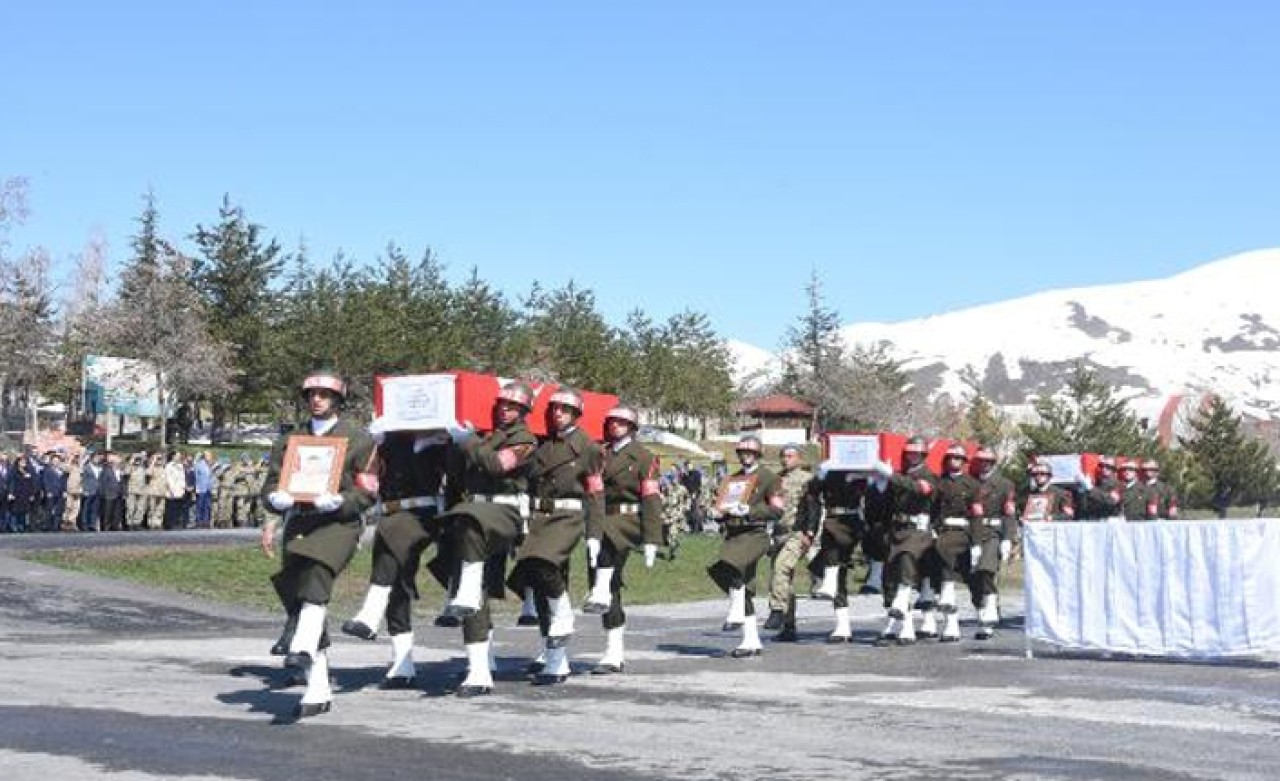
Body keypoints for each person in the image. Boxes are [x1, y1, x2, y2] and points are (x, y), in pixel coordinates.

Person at [260, 369, 377, 719]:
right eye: (312, 395)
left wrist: (342, 501)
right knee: (302, 598)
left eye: (325, 395)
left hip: (338, 523)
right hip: (300, 523)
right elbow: (268, 487)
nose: (317, 400)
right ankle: (318, 687)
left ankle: (300, 645)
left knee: (317, 574)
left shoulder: (359, 439)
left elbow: (368, 490)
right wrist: (275, 500)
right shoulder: (289, 441)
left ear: (338, 401)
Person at [434, 381, 539, 696]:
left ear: (523, 411)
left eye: (512, 406)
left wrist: (468, 442)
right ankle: (479, 670)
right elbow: (457, 474)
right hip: (474, 516)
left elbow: (496, 465)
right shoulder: (483, 436)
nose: (504, 409)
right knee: (474, 596)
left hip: (503, 512)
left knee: (468, 532)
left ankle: (465, 588)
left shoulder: (525, 440)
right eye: (502, 404)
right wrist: (452, 444)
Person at [340, 422, 452, 691]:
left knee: (392, 553)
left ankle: (369, 614)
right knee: (398, 585)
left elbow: (450, 474)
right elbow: (367, 480)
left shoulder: (435, 441)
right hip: (390, 514)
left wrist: (436, 443)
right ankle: (403, 664)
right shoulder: (383, 443)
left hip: (423, 513)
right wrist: (373, 446)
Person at [505, 387, 605, 685]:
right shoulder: (542, 443)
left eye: (564, 410)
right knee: (536, 578)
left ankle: (565, 613)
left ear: (576, 414)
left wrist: (594, 533)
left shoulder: (587, 447)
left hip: (567, 516)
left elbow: (595, 493)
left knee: (545, 563)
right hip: (539, 516)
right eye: (554, 409)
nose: (557, 414)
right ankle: (556, 662)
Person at [582, 405, 662, 674]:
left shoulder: (644, 457)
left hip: (627, 521)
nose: (615, 426)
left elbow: (651, 498)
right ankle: (613, 651)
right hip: (599, 518)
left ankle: (601, 589)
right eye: (612, 422)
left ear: (632, 427)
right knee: (609, 587)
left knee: (605, 569)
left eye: (621, 422)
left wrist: (652, 538)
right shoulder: (599, 453)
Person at [706, 435, 786, 658]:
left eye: (750, 453)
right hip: (733, 533)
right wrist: (717, 514)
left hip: (756, 533)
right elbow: (723, 506)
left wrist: (750, 511)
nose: (745, 457)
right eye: (742, 453)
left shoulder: (769, 478)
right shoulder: (732, 480)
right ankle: (751, 640)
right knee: (744, 586)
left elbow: (778, 510)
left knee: (730, 568)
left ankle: (735, 613)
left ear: (758, 455)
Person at [875, 436, 939, 645]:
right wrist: (879, 485)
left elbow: (920, 489)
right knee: (891, 578)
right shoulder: (900, 475)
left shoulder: (929, 475)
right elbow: (885, 504)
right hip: (897, 529)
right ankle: (906, 628)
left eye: (917, 453)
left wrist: (891, 475)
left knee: (907, 559)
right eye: (909, 452)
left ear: (923, 455)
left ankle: (904, 607)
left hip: (917, 531)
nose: (912, 456)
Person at [763, 444, 818, 642]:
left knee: (781, 568)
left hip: (797, 532)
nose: (785, 459)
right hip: (778, 532)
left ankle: (777, 610)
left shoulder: (807, 479)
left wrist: (809, 533)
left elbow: (814, 507)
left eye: (790, 456)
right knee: (783, 579)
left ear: (799, 458)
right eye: (783, 456)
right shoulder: (776, 479)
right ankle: (789, 625)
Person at [809, 463, 868, 643]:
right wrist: (821, 474)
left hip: (851, 522)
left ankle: (829, 583)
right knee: (834, 573)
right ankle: (842, 626)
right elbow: (813, 491)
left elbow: (870, 492)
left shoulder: (861, 471)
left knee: (834, 569)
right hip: (832, 520)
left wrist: (860, 473)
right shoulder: (830, 472)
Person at [968, 447, 1016, 640]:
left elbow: (1009, 513)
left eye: (988, 461)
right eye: (981, 461)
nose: (984, 464)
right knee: (973, 578)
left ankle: (990, 608)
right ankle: (983, 610)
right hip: (971, 532)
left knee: (986, 569)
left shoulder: (1004, 485)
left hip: (992, 532)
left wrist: (1007, 538)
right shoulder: (969, 483)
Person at [1077, 456, 1123, 521]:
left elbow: (1111, 500)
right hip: (1093, 518)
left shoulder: (1118, 484)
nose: (1104, 469)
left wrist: (1091, 489)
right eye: (1102, 466)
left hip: (1108, 518)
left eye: (1108, 467)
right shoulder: (1097, 482)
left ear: (1113, 469)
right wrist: (1082, 492)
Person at [7, 454, 41, 533]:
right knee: (15, 511)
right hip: (16, 494)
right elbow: (11, 483)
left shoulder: (29, 471)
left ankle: (21, 526)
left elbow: (32, 484)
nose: (23, 463)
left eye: (25, 462)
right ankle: (14, 526)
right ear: (18, 462)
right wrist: (10, 493)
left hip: (26, 494)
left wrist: (32, 494)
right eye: (21, 461)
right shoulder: (13, 471)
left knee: (23, 511)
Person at [40, 453, 68, 533]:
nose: (56, 462)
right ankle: (48, 526)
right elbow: (45, 482)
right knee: (49, 510)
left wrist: (65, 491)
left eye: (57, 461)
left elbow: (64, 482)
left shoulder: (62, 471)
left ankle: (56, 526)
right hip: (51, 493)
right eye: (54, 461)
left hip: (60, 493)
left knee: (59, 510)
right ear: (51, 461)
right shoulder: (47, 470)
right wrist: (48, 491)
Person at [100, 452, 124, 532]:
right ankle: (106, 527)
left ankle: (115, 526)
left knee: (117, 511)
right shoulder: (106, 469)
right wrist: (103, 493)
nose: (118, 459)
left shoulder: (120, 469)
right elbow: (103, 482)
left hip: (118, 493)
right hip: (108, 494)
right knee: (107, 512)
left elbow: (122, 481)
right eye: (116, 457)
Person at [79, 450, 103, 532]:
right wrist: (84, 489)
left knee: (94, 509)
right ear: (91, 459)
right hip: (88, 490)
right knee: (86, 508)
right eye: (96, 458)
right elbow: (83, 480)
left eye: (98, 458)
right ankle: (84, 524)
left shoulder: (100, 467)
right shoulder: (86, 467)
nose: (97, 459)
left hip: (97, 491)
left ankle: (92, 525)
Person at [194, 451, 214, 528]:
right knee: (200, 506)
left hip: (208, 489)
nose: (209, 457)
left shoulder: (210, 465)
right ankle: (199, 521)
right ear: (204, 457)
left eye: (210, 456)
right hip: (201, 489)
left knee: (207, 506)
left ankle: (206, 522)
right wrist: (197, 488)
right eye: (208, 456)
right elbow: (196, 477)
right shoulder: (199, 465)